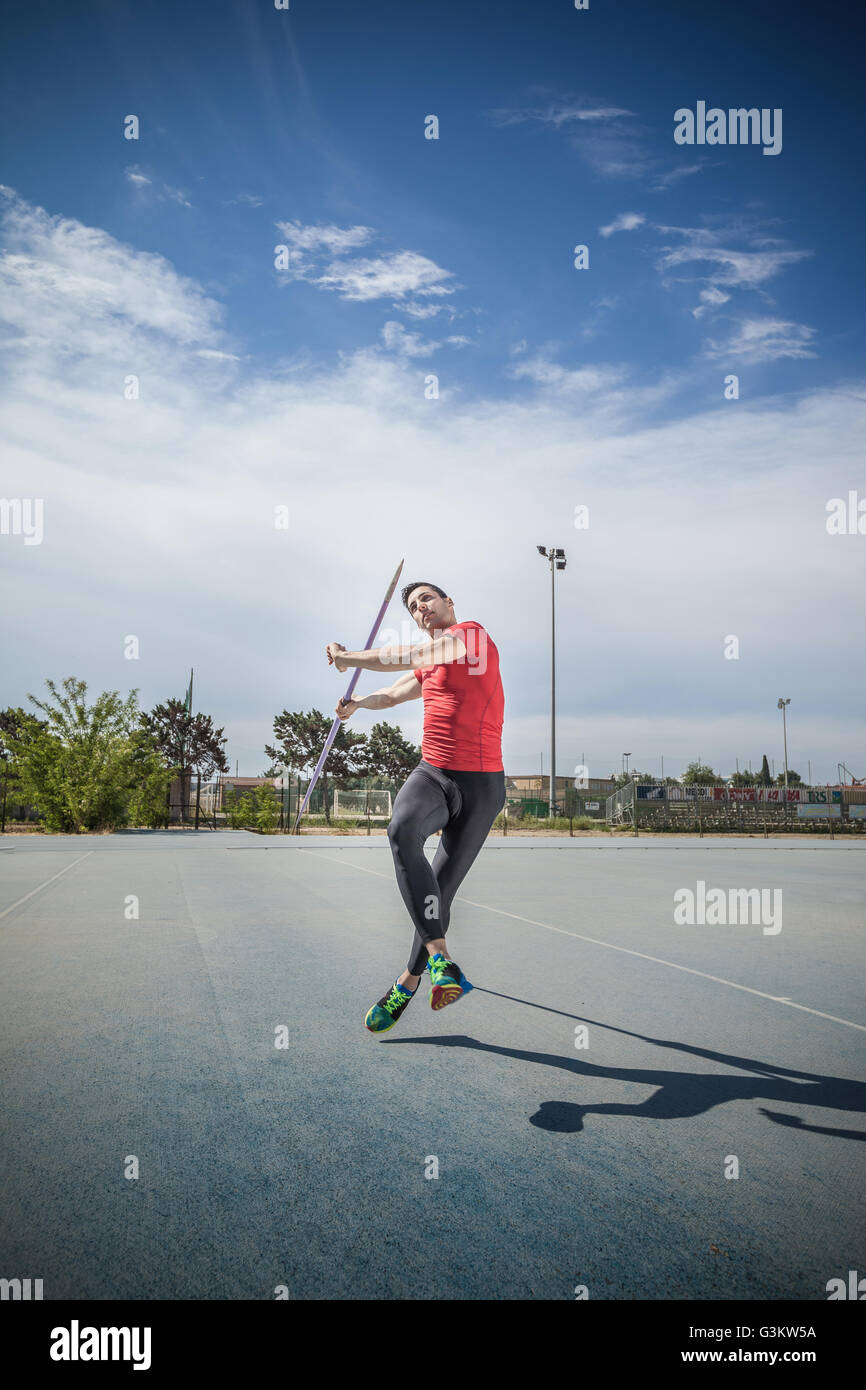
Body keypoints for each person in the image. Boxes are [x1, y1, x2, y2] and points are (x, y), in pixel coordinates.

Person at [326, 581, 505, 1034]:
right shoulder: (432, 664)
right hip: (435, 773)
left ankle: (406, 983)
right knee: (402, 830)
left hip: (482, 788)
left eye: (426, 598)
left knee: (438, 896)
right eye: (412, 607)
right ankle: (441, 961)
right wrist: (358, 705)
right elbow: (391, 694)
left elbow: (416, 657)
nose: (420, 607)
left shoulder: (472, 637)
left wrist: (349, 658)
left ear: (449, 602)